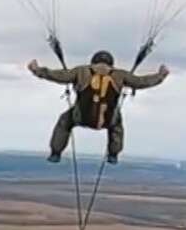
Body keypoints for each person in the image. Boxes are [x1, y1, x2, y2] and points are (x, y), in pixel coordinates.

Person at [27, 50, 170, 164]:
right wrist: (161, 75)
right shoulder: (120, 75)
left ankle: (55, 153)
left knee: (65, 120)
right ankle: (113, 155)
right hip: (107, 120)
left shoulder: (81, 71)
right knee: (117, 125)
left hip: (81, 117)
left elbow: (58, 76)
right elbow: (141, 82)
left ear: (93, 61)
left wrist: (36, 70)